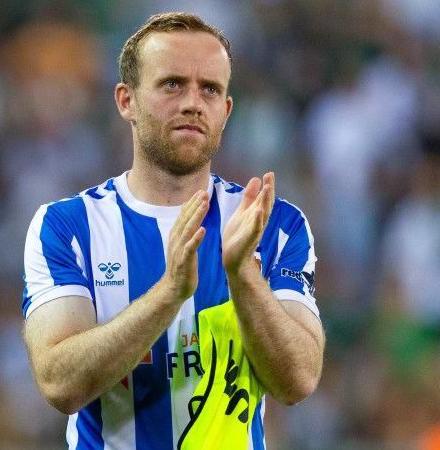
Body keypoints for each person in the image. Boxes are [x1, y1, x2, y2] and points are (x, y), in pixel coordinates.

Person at [22, 12, 325, 449]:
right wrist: (169, 294)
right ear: (126, 100)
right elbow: (59, 383)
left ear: (226, 109)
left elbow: (298, 380)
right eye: (172, 84)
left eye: (210, 89)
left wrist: (243, 277)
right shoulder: (68, 227)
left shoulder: (274, 223)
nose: (192, 103)